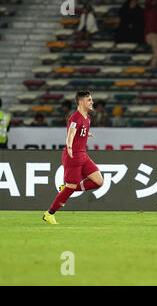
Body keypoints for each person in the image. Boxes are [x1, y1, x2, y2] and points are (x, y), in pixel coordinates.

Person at [43, 91, 104, 225]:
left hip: (83, 154)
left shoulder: (87, 118)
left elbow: (78, 131)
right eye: (89, 100)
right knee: (71, 186)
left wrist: (86, 133)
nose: (92, 102)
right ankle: (49, 213)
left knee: (99, 181)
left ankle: (66, 190)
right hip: (73, 155)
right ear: (81, 102)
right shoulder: (75, 117)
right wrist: (69, 146)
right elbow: (71, 133)